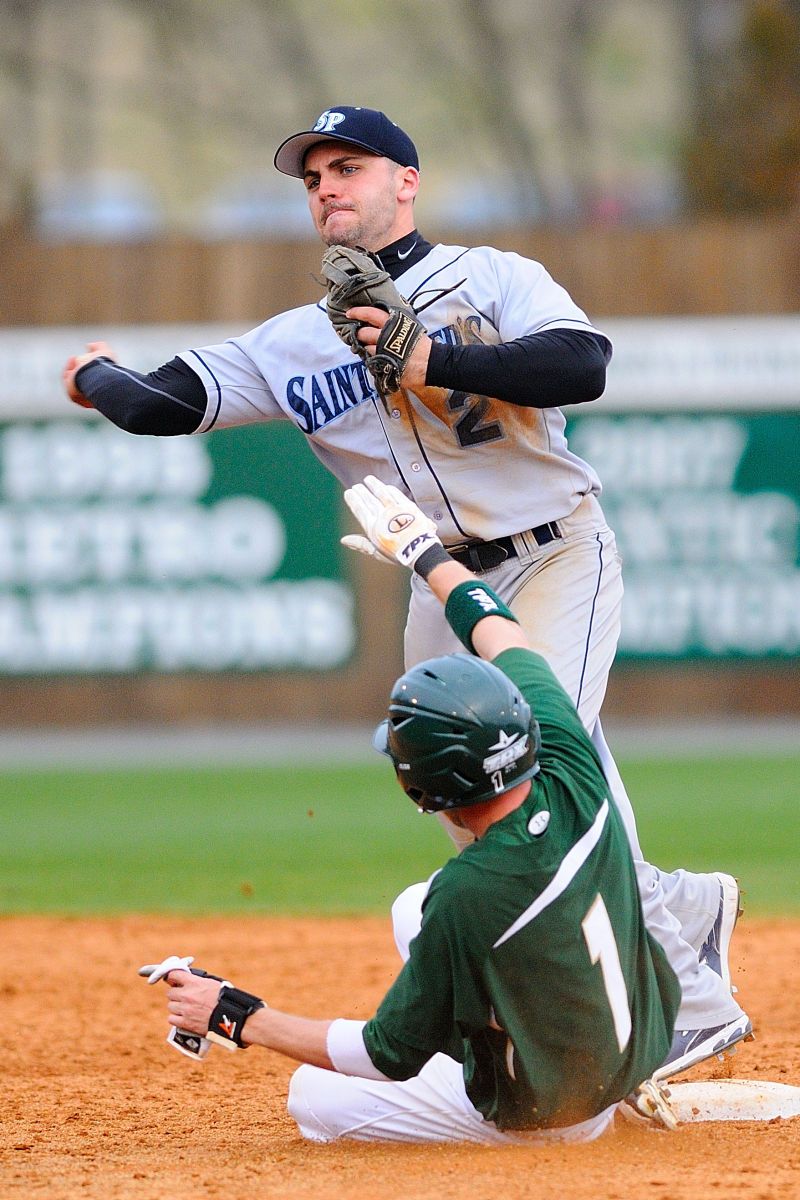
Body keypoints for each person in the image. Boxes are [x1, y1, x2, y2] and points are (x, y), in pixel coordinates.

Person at [64, 105, 750, 1076]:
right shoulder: (293, 344)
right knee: (454, 783)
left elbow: (581, 364)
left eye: (347, 167)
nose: (326, 188)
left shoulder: (490, 277)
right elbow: (161, 401)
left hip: (548, 551)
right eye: (311, 179)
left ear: (405, 182)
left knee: (544, 758)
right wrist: (96, 375)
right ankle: (675, 902)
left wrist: (433, 360)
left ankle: (689, 990)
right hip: (439, 581)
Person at [145, 476, 682, 1144]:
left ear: (424, 790)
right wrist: (427, 554)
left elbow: (383, 1053)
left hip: (554, 1114)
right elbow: (502, 634)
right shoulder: (571, 762)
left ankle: (509, 1080)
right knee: (412, 909)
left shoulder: (470, 892)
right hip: (631, 1049)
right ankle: (586, 1059)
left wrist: (235, 1013)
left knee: (313, 1099)